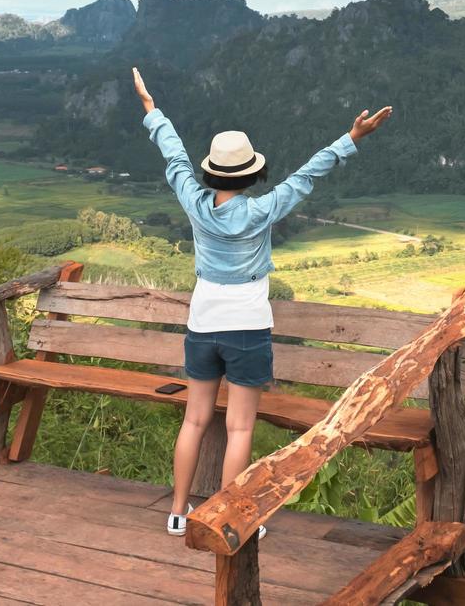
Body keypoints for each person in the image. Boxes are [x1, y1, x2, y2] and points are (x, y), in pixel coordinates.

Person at [129, 67, 392, 536]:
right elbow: (308, 174)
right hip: (248, 326)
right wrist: (353, 136)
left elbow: (174, 158)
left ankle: (177, 512)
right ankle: (229, 518)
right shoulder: (261, 209)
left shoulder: (194, 201)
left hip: (203, 322)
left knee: (194, 420)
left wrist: (152, 110)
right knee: (240, 428)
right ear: (252, 173)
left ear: (211, 172)